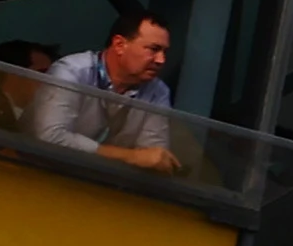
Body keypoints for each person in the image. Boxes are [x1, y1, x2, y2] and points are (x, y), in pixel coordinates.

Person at [32, 11, 184, 173]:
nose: (161, 60)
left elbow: (153, 158)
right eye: (153, 49)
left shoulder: (157, 91)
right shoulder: (72, 71)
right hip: (35, 173)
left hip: (100, 186)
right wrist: (130, 156)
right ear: (119, 45)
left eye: (164, 52)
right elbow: (49, 137)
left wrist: (143, 158)